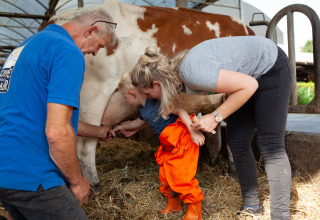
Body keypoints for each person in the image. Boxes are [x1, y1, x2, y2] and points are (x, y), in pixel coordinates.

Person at [130, 36, 292, 220]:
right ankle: (251, 206)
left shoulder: (191, 73)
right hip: (249, 77)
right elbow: (239, 80)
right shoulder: (180, 79)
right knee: (238, 140)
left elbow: (249, 85)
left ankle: (280, 216)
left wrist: (216, 117)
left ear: (157, 85)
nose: (149, 99)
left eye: (147, 93)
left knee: (270, 144)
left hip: (270, 68)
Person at [0, 7, 116, 220]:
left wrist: (98, 132)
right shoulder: (66, 51)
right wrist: (77, 181)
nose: (95, 52)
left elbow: (42, 115)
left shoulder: (26, 47)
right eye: (99, 45)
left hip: (6, 170)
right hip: (33, 173)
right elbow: (57, 132)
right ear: (90, 31)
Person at [112, 72, 205, 219]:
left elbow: (180, 110)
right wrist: (122, 127)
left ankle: (195, 210)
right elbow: (140, 122)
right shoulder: (144, 110)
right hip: (168, 144)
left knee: (182, 176)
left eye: (125, 97)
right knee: (165, 175)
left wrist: (192, 130)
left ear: (132, 94)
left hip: (181, 139)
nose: (126, 100)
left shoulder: (156, 101)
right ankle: (174, 205)